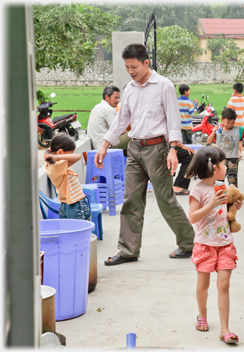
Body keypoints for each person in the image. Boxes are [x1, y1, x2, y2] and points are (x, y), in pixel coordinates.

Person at [95, 43, 195, 265]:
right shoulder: (129, 89)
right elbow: (121, 121)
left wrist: (173, 150)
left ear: (146, 62)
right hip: (134, 149)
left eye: (134, 66)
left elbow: (173, 120)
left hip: (158, 150)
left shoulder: (164, 86)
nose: (130, 71)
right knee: (130, 200)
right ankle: (128, 250)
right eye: (127, 67)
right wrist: (104, 145)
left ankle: (189, 244)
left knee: (165, 201)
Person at [185, 146, 243, 344]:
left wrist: (233, 207)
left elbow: (224, 213)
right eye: (224, 163)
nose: (226, 166)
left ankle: (225, 329)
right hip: (205, 245)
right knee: (203, 286)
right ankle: (202, 315)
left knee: (224, 284)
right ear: (214, 167)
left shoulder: (222, 186)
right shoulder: (198, 190)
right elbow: (192, 217)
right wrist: (210, 205)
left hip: (225, 243)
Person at [207, 108, 244, 187]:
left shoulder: (237, 129)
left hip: (233, 159)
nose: (230, 125)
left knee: (233, 178)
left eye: (232, 123)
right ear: (222, 119)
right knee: (219, 180)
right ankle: (219, 196)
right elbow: (209, 141)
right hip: (220, 159)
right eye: (228, 122)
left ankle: (234, 197)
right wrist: (213, 131)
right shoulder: (219, 129)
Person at [45, 133, 91, 221]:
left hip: (67, 204)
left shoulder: (52, 164)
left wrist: (54, 155)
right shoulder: (57, 165)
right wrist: (57, 157)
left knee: (70, 228)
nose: (70, 156)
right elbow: (78, 156)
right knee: (79, 229)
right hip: (74, 204)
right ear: (60, 152)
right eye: (70, 153)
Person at [87, 85, 131, 156]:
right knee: (134, 133)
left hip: (96, 145)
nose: (117, 101)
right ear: (107, 97)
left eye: (118, 98)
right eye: (115, 98)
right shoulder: (108, 109)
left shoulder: (96, 107)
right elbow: (118, 130)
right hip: (107, 146)